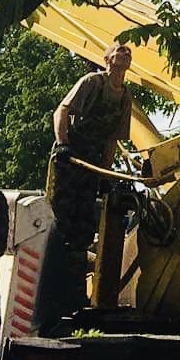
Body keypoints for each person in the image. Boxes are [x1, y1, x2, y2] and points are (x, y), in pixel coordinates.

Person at [35, 41, 141, 332]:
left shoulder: (125, 97)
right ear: (108, 59)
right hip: (71, 162)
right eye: (120, 50)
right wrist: (63, 144)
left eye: (129, 52)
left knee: (83, 229)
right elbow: (62, 111)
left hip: (91, 166)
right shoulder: (92, 82)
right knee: (60, 223)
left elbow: (111, 141)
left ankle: (73, 298)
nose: (125, 54)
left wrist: (106, 176)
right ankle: (47, 298)